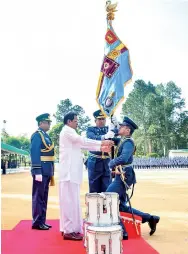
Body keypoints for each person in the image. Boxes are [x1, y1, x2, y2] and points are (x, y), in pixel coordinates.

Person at [58, 112, 114, 241]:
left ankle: (71, 228)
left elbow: (83, 145)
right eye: (76, 120)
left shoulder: (71, 132)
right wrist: (102, 142)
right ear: (69, 121)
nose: (77, 122)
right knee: (69, 202)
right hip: (68, 174)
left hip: (72, 173)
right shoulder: (67, 131)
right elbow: (83, 141)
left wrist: (102, 146)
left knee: (73, 202)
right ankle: (68, 230)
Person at [106, 116, 160, 239]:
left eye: (122, 127)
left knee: (108, 198)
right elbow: (110, 138)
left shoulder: (128, 142)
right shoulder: (123, 140)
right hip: (122, 174)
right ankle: (150, 218)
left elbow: (124, 158)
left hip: (125, 175)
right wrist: (112, 128)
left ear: (127, 130)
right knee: (121, 206)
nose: (119, 127)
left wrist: (111, 163)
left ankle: (122, 231)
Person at [30, 113, 55, 230]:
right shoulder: (37, 136)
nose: (49, 124)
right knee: (38, 197)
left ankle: (42, 220)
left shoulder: (46, 136)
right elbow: (34, 154)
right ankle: (37, 221)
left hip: (47, 170)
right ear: (41, 123)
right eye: (47, 122)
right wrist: (37, 171)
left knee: (44, 197)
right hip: (40, 171)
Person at [86, 109, 116, 193]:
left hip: (106, 161)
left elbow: (118, 137)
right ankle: (94, 206)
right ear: (95, 120)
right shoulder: (90, 129)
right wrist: (105, 136)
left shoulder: (109, 129)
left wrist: (116, 125)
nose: (102, 121)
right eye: (99, 119)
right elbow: (92, 138)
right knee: (94, 188)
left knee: (107, 188)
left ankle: (105, 206)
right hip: (95, 161)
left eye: (103, 119)